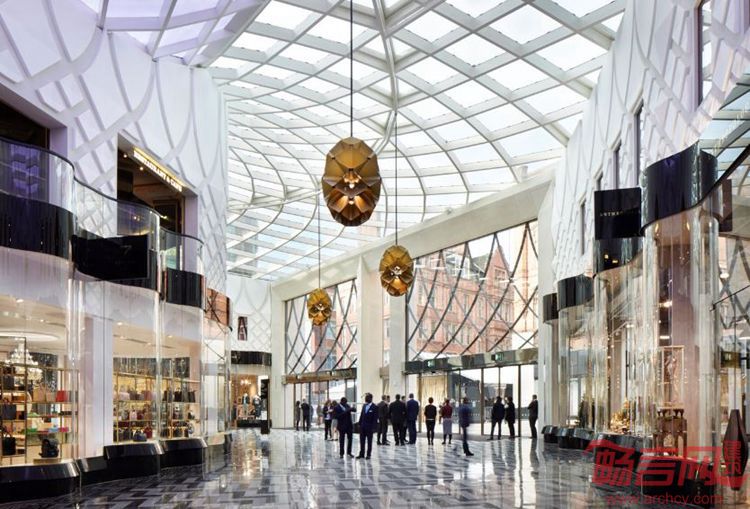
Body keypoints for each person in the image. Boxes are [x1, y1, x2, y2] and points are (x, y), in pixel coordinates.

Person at [357, 393, 378, 459]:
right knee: (362, 441)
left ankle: (368, 454)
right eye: (366, 398)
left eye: (367, 397)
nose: (366, 399)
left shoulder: (375, 407)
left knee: (369, 441)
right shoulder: (364, 405)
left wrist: (374, 428)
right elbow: (361, 415)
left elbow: (375, 418)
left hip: (370, 427)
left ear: (371, 398)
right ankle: (361, 454)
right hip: (362, 426)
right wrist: (359, 424)